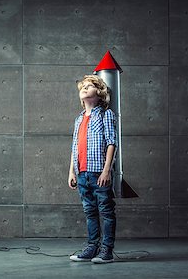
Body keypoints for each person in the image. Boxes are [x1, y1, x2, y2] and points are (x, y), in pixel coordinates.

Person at [68, 74, 117, 264]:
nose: (85, 88)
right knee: (89, 211)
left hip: (98, 172)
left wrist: (106, 170)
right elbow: (74, 146)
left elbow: (112, 143)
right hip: (82, 173)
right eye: (83, 86)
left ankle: (107, 250)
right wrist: (72, 171)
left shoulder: (106, 114)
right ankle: (92, 247)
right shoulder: (78, 119)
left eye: (90, 86)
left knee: (106, 211)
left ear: (100, 93)